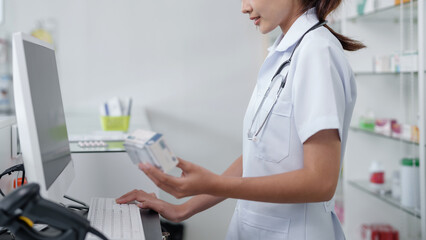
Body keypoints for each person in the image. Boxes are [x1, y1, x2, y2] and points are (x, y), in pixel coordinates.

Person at [116, 0, 365, 239]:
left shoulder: (317, 52)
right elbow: (262, 155)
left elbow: (321, 181)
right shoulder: (285, 52)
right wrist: (184, 208)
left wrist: (215, 184)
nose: (244, 7)